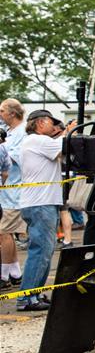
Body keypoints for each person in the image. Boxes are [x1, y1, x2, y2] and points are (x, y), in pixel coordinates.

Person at [16, 109, 75, 311]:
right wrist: (70, 132)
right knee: (41, 250)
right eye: (52, 123)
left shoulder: (37, 142)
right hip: (40, 204)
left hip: (40, 202)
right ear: (41, 123)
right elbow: (67, 145)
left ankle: (34, 294)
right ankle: (27, 297)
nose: (54, 127)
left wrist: (63, 133)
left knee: (45, 250)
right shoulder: (37, 141)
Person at [0, 99, 27, 291]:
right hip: (7, 192)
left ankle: (3, 275)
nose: (0, 114)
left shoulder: (22, 132)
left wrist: (4, 149)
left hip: (14, 191)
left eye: (2, 111)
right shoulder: (9, 132)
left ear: (13, 113)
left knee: (4, 233)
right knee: (5, 233)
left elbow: (16, 157)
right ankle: (15, 272)